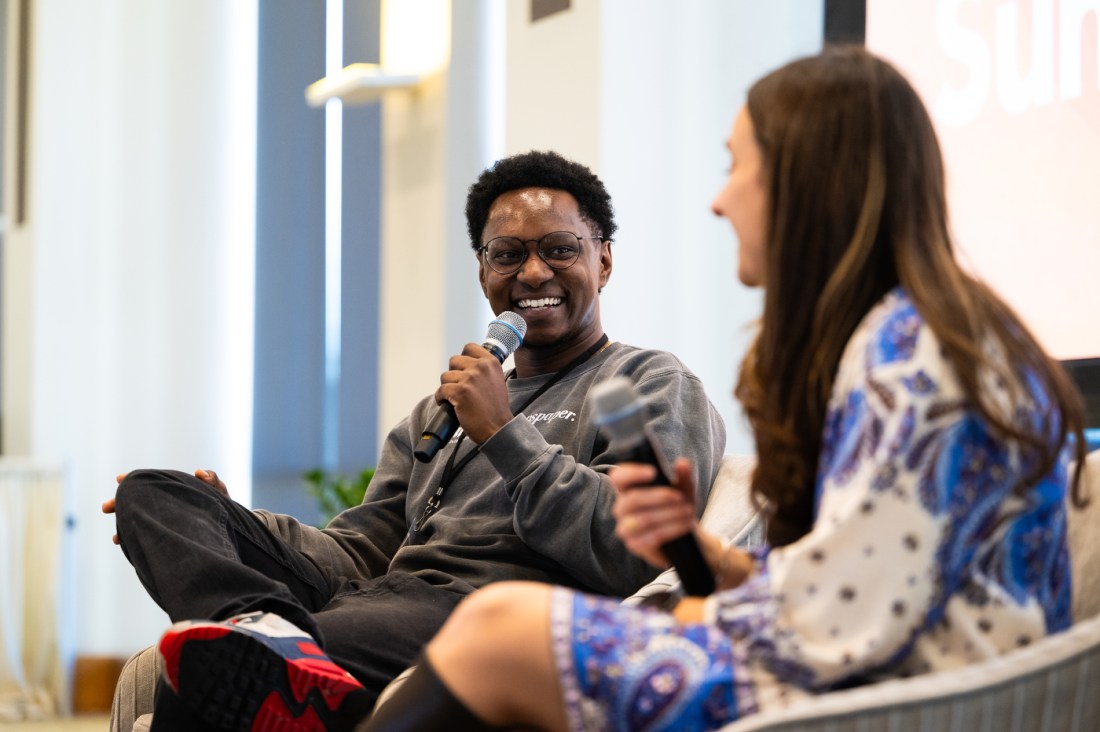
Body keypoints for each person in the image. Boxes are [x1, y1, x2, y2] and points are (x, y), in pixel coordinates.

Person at [359, 46, 1089, 732]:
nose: (719, 201)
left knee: (501, 630)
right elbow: (865, 573)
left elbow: (838, 630)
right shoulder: (905, 333)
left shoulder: (915, 354)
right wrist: (708, 558)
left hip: (904, 699)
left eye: (738, 167)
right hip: (870, 668)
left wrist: (687, 616)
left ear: (807, 184)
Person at [102, 150, 727, 730]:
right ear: (484, 271)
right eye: (507, 254)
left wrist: (503, 432)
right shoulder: (444, 407)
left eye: (560, 249)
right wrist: (236, 522)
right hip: (376, 594)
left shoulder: (641, 382)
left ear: (604, 260)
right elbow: (362, 546)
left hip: (483, 614)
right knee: (154, 494)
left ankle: (269, 645)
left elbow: (632, 551)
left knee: (205, 680)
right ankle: (267, 631)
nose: (534, 271)